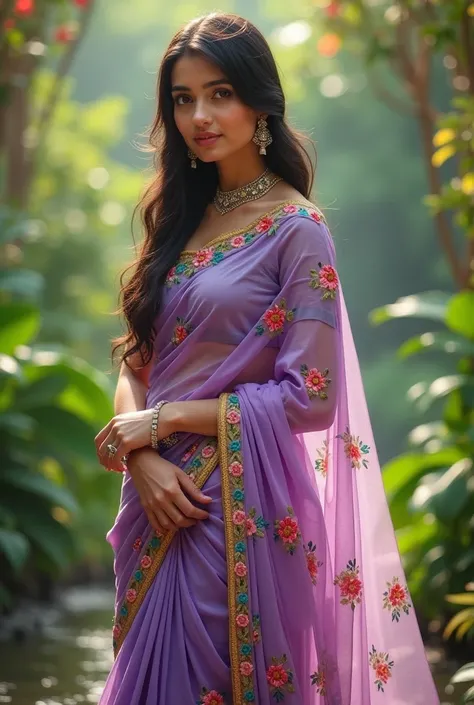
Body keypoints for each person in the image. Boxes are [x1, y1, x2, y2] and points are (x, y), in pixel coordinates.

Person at [94, 12, 439, 705]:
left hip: (231, 510)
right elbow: (137, 358)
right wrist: (142, 454)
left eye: (219, 93)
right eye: (183, 99)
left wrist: (159, 425)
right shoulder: (177, 218)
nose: (199, 115)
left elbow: (311, 395)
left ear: (260, 102)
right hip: (158, 498)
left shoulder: (297, 230)